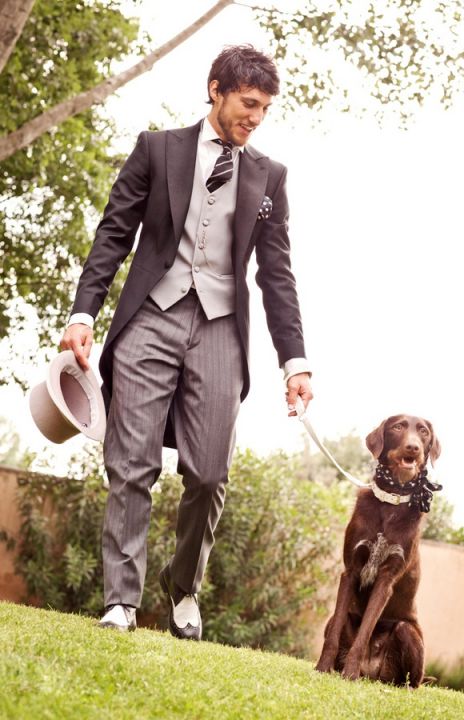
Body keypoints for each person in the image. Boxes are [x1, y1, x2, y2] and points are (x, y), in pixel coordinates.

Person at [60, 45, 313, 640]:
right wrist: (82, 312)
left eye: (266, 109)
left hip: (222, 327)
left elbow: (276, 274)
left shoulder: (269, 176)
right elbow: (113, 233)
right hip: (151, 315)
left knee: (208, 473)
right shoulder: (158, 149)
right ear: (216, 89)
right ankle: (121, 602)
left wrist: (294, 361)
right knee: (131, 463)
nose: (256, 117)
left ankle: (184, 593)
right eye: (249, 103)